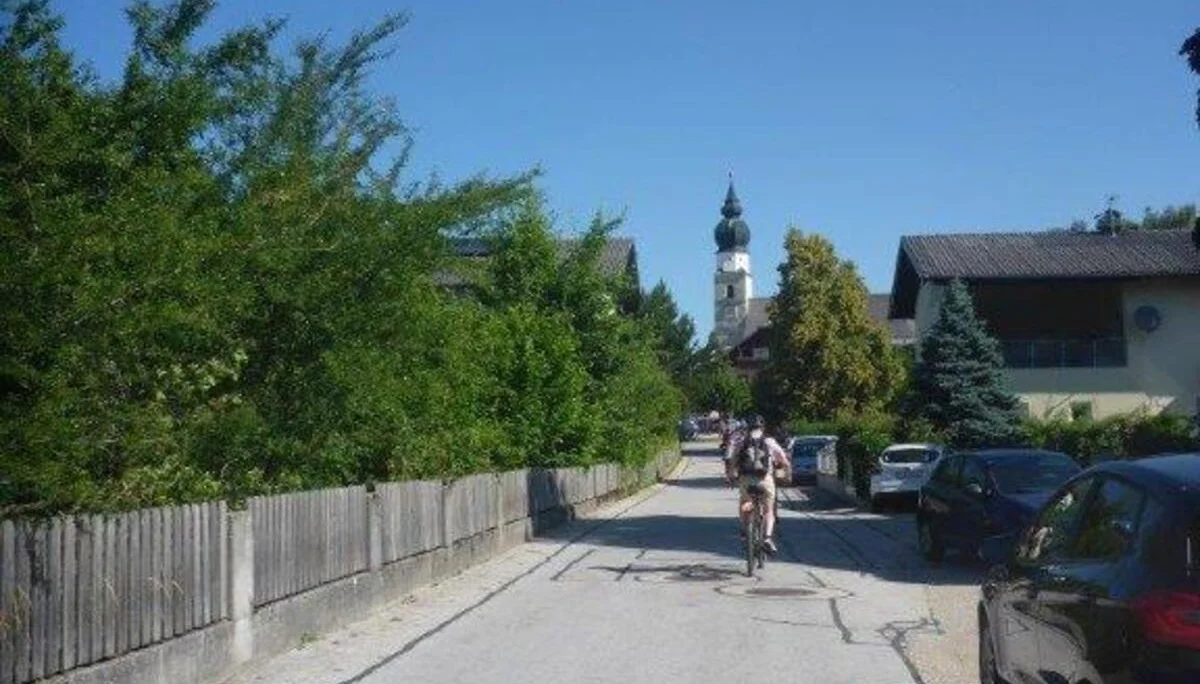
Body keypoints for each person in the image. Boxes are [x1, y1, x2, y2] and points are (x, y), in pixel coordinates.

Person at [724, 415, 790, 554]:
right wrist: (787, 473)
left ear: (748, 427)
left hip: (746, 479)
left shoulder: (742, 440)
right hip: (765, 479)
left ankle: (744, 529)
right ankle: (767, 538)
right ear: (762, 427)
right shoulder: (769, 441)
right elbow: (784, 460)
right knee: (768, 510)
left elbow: (733, 460)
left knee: (745, 501)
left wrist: (730, 476)